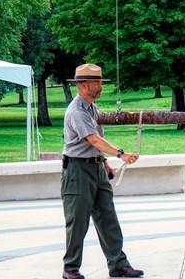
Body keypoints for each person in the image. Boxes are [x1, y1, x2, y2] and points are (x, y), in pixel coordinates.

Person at [61, 63, 144, 279]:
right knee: (78, 221)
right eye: (96, 83)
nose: (100, 87)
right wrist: (121, 154)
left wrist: (104, 162)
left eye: (100, 82)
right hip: (78, 171)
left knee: (108, 217)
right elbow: (94, 140)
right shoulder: (77, 111)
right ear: (82, 85)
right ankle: (70, 269)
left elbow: (96, 144)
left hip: (96, 167)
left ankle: (118, 264)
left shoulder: (91, 108)